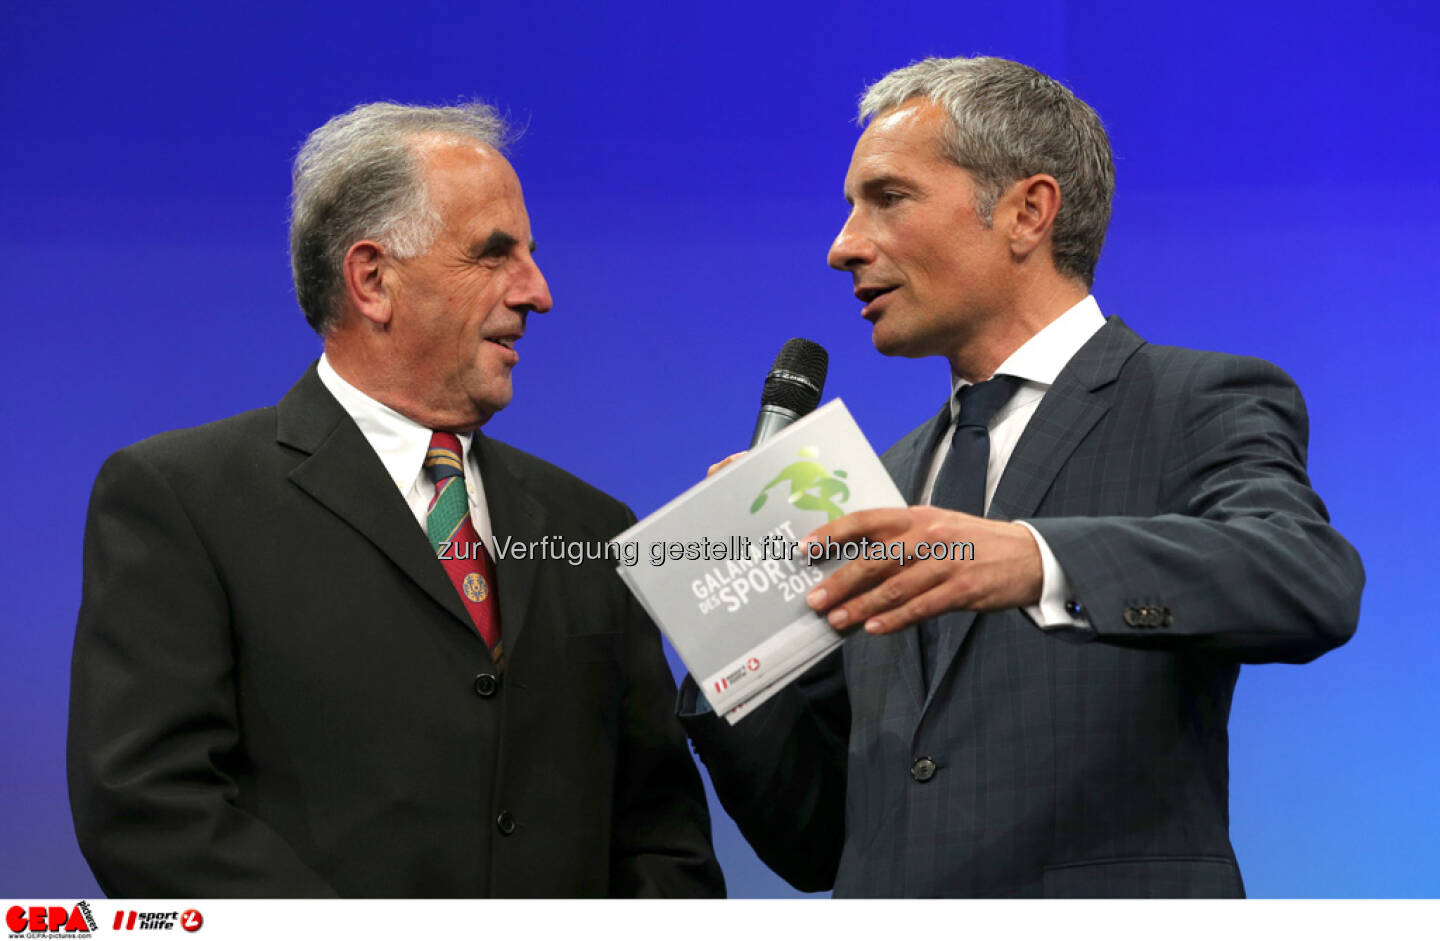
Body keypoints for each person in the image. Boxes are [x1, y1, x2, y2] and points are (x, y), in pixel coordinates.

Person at [679, 56, 1364, 898]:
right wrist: (735, 637)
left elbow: (1307, 578)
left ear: (1027, 212)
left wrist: (1035, 559)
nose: (842, 246)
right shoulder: (877, 484)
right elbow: (817, 837)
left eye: (887, 198)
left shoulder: (1193, 399)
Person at [68, 101, 724, 898]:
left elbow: (660, 833)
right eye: (494, 254)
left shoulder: (592, 525)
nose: (539, 292)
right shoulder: (182, 498)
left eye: (532, 255)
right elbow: (152, 811)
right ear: (374, 279)